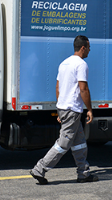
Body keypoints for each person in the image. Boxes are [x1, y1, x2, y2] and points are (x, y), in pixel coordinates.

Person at [30, 35, 98, 184]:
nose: (89, 50)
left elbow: (57, 87)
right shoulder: (81, 64)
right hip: (72, 110)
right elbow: (83, 89)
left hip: (64, 107)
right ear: (82, 48)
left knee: (79, 142)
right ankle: (40, 169)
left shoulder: (64, 63)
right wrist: (90, 109)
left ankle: (83, 173)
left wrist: (60, 108)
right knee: (64, 143)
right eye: (88, 47)